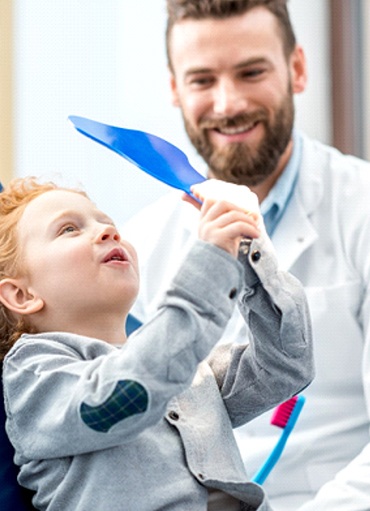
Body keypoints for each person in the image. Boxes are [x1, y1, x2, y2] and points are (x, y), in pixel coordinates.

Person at [121, 1, 370, 510]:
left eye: (251, 72)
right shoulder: (140, 243)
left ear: (297, 69)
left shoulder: (360, 210)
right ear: (175, 89)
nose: (228, 103)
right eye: (202, 80)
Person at [0, 176, 313, 511]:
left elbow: (285, 365)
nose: (109, 232)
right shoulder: (33, 374)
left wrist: (248, 249)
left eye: (108, 223)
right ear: (22, 294)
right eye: (69, 229)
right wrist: (210, 263)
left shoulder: (186, 367)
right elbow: (123, 396)